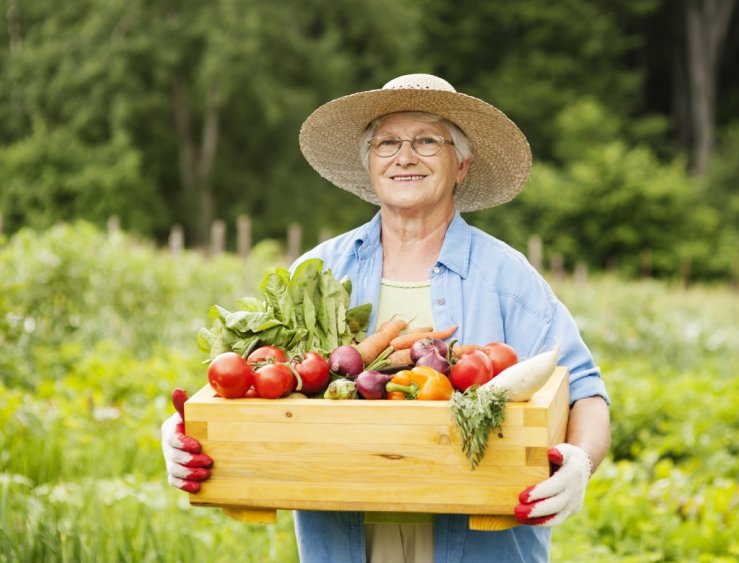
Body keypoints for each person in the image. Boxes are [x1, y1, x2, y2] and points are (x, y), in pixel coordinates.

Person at [161, 73, 611, 563]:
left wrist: (579, 461)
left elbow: (585, 391)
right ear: (370, 165)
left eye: (426, 141)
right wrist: (186, 431)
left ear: (461, 164)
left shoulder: (507, 277)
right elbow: (256, 378)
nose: (404, 156)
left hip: (482, 543)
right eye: (387, 142)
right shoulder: (321, 271)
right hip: (346, 541)